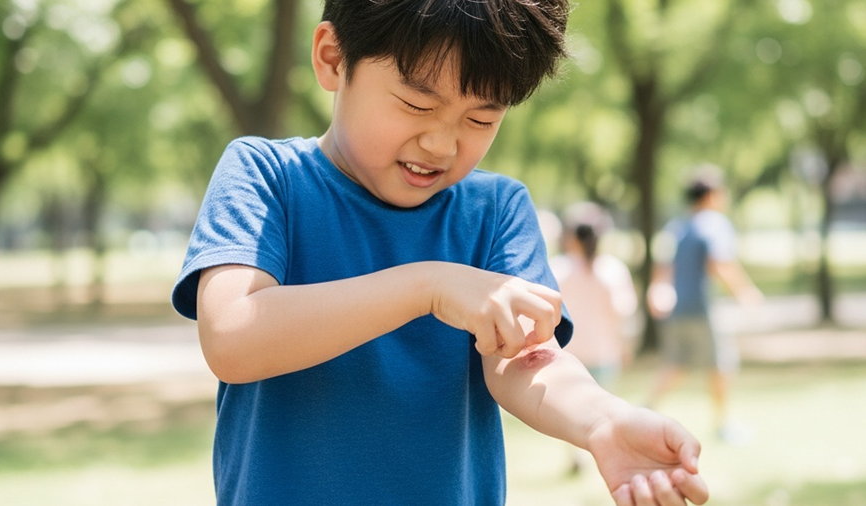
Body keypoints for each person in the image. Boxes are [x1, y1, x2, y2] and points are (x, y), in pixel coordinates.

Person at [171, 1, 709, 504]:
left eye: (480, 120)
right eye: (416, 104)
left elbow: (525, 358)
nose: (442, 145)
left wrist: (602, 421)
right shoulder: (266, 178)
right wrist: (426, 286)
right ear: (333, 59)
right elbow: (234, 337)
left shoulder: (494, 211)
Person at [646, 166, 764, 444]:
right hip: (702, 308)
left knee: (676, 363)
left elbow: (662, 269)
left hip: (677, 309)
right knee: (721, 364)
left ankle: (644, 410)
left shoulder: (677, 227)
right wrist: (745, 293)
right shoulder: (715, 223)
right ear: (712, 195)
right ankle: (723, 425)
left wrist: (656, 292)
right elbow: (720, 263)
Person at [549, 202, 639, 474]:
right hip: (604, 351)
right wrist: (626, 347)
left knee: (569, 409)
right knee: (602, 408)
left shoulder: (557, 268)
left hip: (569, 352)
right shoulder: (613, 270)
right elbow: (623, 314)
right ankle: (602, 453)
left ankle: (576, 455)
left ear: (571, 236)